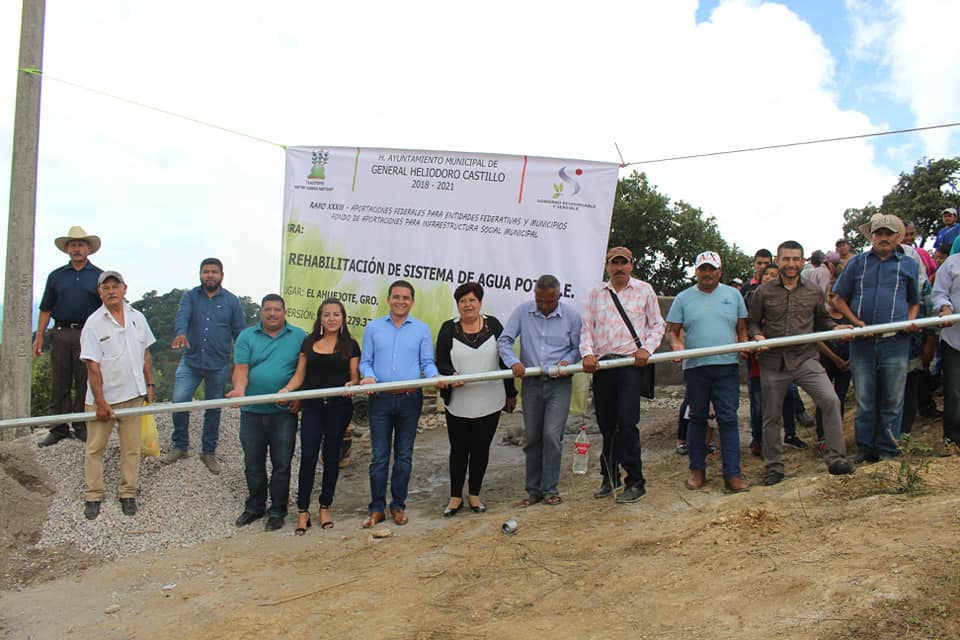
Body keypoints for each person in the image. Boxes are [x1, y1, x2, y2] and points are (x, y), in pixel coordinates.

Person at [748, 240, 855, 485]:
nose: (791, 264)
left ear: (802, 260)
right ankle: (774, 467)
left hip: (806, 358)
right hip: (774, 361)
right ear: (778, 259)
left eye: (796, 259)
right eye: (786, 259)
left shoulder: (813, 291)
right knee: (771, 416)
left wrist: (837, 327)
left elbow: (822, 321)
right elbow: (753, 321)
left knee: (830, 400)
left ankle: (836, 458)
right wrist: (757, 335)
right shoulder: (763, 292)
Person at [833, 214, 920, 463]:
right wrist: (857, 323)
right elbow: (838, 298)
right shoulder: (856, 264)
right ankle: (865, 448)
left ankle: (888, 449)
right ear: (871, 236)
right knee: (865, 398)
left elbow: (914, 301)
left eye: (888, 233)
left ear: (897, 237)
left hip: (896, 340)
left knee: (893, 398)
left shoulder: (909, 265)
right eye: (878, 233)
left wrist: (909, 322)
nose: (883, 237)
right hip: (862, 342)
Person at [579, 248, 663, 503]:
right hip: (603, 366)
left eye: (623, 263)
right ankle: (610, 476)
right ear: (607, 267)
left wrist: (646, 349)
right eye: (614, 264)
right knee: (606, 425)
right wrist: (587, 354)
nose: (619, 268)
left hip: (629, 364)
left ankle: (635, 481)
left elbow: (657, 325)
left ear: (631, 265)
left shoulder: (644, 290)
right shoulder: (596, 294)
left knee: (627, 423)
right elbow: (586, 329)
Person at [666, 251, 749, 492]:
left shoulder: (733, 295)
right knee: (697, 419)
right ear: (696, 272)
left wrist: (744, 344)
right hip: (696, 367)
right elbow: (673, 331)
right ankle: (697, 471)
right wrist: (677, 346)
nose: (708, 273)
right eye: (703, 268)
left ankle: (732, 474)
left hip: (726, 366)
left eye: (712, 268)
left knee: (728, 419)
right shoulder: (683, 298)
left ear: (720, 271)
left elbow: (742, 327)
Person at [359, 280, 438, 527]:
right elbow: (366, 361)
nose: (400, 301)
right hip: (380, 400)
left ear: (412, 301)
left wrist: (435, 376)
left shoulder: (422, 329)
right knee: (379, 457)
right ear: (388, 300)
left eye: (405, 297)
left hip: (409, 399)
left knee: (404, 456)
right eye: (396, 297)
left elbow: (427, 362)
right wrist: (368, 375)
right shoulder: (373, 328)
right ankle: (377, 508)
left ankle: (398, 505)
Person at [498, 274, 582, 507]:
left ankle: (551, 489)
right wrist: (513, 361)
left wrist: (567, 361)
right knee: (532, 437)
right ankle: (533, 490)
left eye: (549, 302)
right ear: (535, 296)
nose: (544, 306)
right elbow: (504, 341)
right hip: (532, 384)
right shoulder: (523, 311)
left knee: (552, 436)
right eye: (540, 301)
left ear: (559, 296)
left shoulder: (572, 316)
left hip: (559, 385)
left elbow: (578, 348)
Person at [435, 282, 517, 516]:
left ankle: (474, 495)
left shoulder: (494, 326)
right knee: (458, 450)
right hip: (459, 401)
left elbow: (505, 359)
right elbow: (440, 359)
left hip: (490, 400)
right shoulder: (448, 328)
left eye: (472, 300)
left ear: (480, 302)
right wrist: (450, 374)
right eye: (462, 301)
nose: (467, 305)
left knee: (481, 449)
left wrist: (511, 392)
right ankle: (454, 497)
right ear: (457, 305)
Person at [79, 271, 156, 520]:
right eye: (106, 287)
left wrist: (150, 384)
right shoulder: (93, 323)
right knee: (95, 448)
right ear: (99, 292)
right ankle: (93, 496)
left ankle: (128, 493)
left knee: (131, 448)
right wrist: (101, 402)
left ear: (125, 288)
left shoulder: (137, 317)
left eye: (116, 286)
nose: (112, 291)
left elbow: (145, 353)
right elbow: (92, 365)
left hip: (133, 394)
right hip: (103, 399)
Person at [279, 298, 359, 534]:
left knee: (332, 456)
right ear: (320, 318)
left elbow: (355, 376)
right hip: (312, 407)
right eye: (327, 314)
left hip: (339, 408)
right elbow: (299, 376)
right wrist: (286, 390)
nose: (332, 318)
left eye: (336, 314)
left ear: (343, 318)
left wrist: (351, 383)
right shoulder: (309, 342)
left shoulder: (350, 345)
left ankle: (325, 506)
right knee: (309, 456)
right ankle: (303, 510)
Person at [226, 294, 306, 531]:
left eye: (277, 310)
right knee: (253, 462)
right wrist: (239, 390)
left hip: (283, 412)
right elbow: (241, 368)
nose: (272, 314)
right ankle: (255, 506)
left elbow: (304, 370)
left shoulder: (299, 336)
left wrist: (298, 396)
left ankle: (278, 510)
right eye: (267, 309)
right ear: (261, 312)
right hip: (252, 411)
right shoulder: (246, 336)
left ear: (284, 312)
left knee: (282, 463)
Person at [162, 258, 245, 474]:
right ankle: (180, 446)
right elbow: (183, 317)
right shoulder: (190, 296)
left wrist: (242, 361)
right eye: (206, 271)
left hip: (218, 363)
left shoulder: (232, 302)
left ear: (222, 275)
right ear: (200, 274)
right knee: (179, 401)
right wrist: (181, 332)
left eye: (214, 272)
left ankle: (208, 451)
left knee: (213, 408)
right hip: (190, 360)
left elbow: (239, 333)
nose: (210, 275)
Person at [33, 226, 104, 446]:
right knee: (60, 381)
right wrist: (40, 337)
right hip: (61, 332)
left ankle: (81, 425)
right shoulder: (56, 276)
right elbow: (46, 309)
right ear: (67, 249)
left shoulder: (99, 276)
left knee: (85, 380)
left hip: (88, 334)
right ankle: (59, 427)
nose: (77, 249)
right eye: (72, 245)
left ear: (89, 249)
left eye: (81, 245)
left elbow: (107, 308)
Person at [743, 265, 802, 456]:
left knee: (788, 399)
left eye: (774, 275)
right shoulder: (752, 301)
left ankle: (790, 435)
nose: (769, 277)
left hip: (784, 362)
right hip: (758, 365)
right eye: (766, 274)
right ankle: (759, 442)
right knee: (760, 405)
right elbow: (748, 327)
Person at [931, 252, 960, 455]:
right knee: (955, 393)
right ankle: (952, 441)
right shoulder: (952, 263)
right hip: (954, 340)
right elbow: (939, 293)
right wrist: (945, 307)